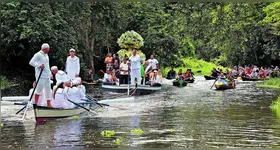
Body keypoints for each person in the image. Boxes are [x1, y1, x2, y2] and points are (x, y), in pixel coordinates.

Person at [29, 43, 53, 108]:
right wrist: (39, 66)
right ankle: (35, 104)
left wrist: (50, 73)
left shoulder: (46, 55)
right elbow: (31, 62)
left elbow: (47, 65)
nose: (49, 50)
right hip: (41, 76)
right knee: (38, 90)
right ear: (45, 49)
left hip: (47, 76)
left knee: (48, 89)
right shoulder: (38, 55)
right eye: (48, 48)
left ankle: (49, 104)